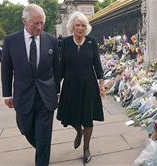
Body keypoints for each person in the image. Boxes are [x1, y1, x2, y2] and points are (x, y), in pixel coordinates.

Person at [1, 4, 60, 166]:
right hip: (23, 95)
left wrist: (57, 91)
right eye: (36, 23)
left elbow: (57, 68)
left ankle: (42, 158)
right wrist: (7, 94)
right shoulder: (11, 41)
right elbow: (6, 69)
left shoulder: (52, 41)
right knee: (25, 129)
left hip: (46, 96)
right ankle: (42, 147)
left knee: (44, 134)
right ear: (24, 21)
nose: (40, 27)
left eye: (42, 23)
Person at [57, 11, 104, 164]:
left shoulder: (91, 42)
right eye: (78, 25)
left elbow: (97, 64)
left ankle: (86, 149)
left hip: (89, 85)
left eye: (83, 25)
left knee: (88, 117)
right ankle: (79, 132)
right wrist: (56, 87)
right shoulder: (65, 42)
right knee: (71, 116)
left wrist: (101, 83)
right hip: (70, 85)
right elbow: (61, 65)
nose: (80, 28)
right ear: (72, 26)